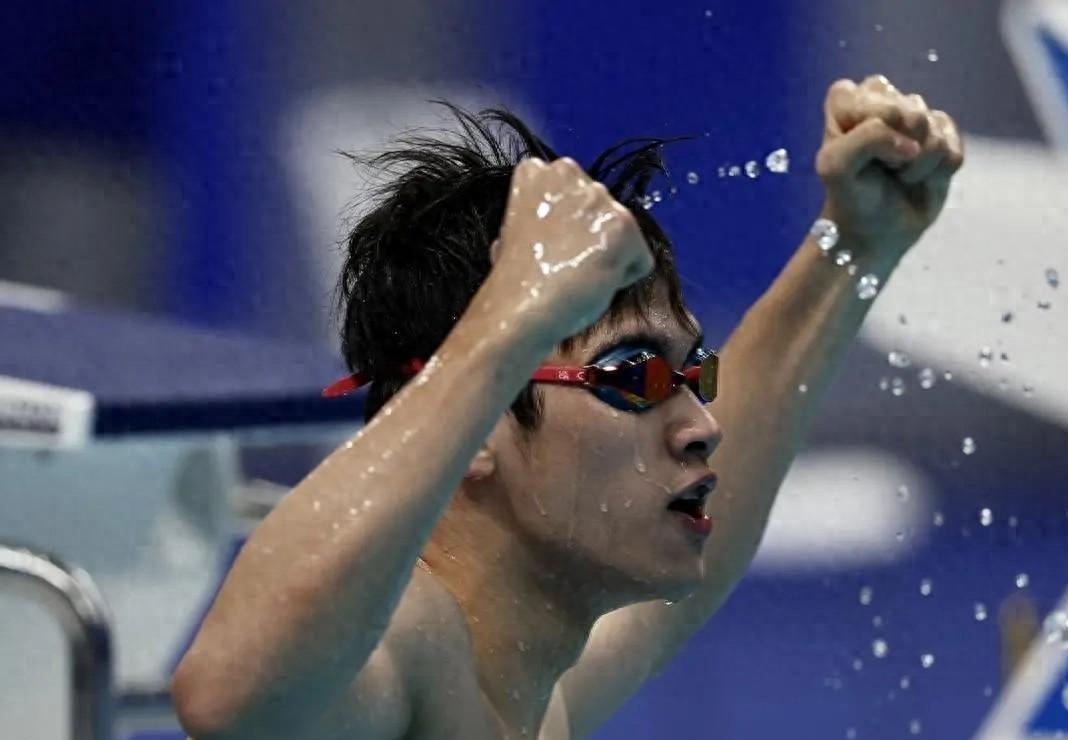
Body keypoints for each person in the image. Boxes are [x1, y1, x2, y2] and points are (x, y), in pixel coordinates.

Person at [171, 74, 964, 740]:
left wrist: (853, 245)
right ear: (479, 424)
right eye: (633, 376)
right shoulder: (413, 646)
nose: (702, 427)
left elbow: (714, 530)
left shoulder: (526, 692)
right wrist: (513, 314)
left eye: (691, 377)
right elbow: (226, 693)